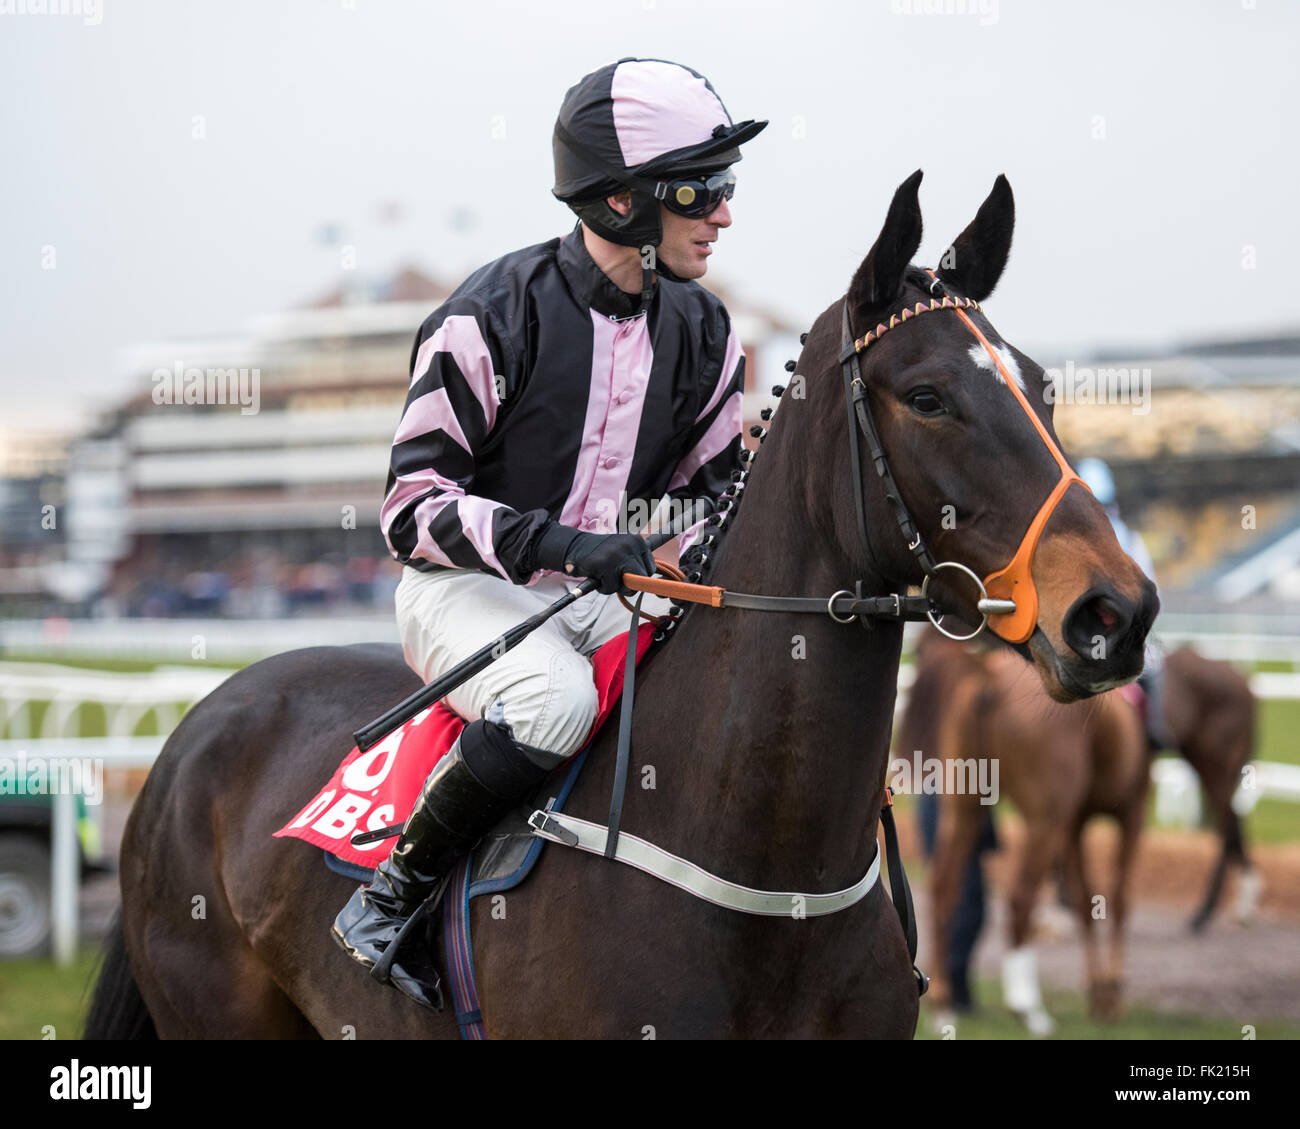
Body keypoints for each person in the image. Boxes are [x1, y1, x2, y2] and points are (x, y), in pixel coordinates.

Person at [332, 58, 766, 1008]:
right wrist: (567, 549)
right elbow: (411, 509)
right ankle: (388, 896)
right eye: (701, 190)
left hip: (600, 593)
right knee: (555, 702)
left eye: (727, 189)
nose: (724, 214)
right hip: (460, 589)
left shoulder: (705, 332)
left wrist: (735, 506)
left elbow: (712, 497)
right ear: (620, 202)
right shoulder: (489, 315)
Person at [1076, 457, 1174, 749]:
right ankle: (1154, 733)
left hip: (1082, 635)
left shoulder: (1076, 540)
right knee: (1154, 668)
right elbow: (1152, 593)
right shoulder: (1130, 539)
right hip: (1124, 636)